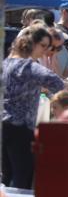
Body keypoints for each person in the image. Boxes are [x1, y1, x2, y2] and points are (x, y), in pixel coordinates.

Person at [2, 25, 64, 188]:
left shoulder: (6, 63)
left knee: (6, 176)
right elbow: (56, 82)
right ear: (31, 43)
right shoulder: (28, 66)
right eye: (43, 46)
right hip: (21, 128)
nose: (46, 51)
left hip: (4, 124)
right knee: (23, 176)